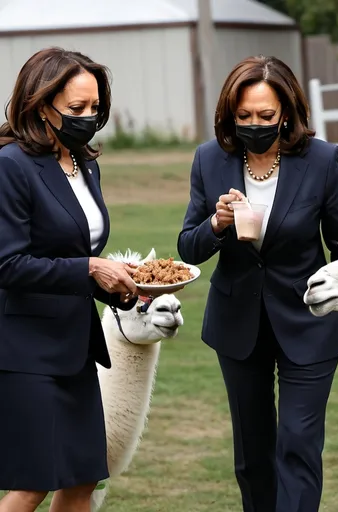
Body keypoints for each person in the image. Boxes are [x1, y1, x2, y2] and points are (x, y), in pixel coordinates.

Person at [177, 55, 338, 512]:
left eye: (266, 116)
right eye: (244, 117)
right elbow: (188, 247)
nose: (254, 125)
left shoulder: (322, 160)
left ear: (287, 113)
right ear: (230, 115)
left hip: (309, 322)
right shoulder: (208, 159)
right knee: (252, 456)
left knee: (298, 443)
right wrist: (216, 225)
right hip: (237, 323)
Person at [0, 47, 140, 512]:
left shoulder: (85, 163)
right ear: (42, 106)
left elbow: (81, 253)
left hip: (75, 348)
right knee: (32, 485)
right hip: (26, 352)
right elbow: (8, 265)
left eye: (95, 108)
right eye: (76, 108)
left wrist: (118, 280)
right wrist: (89, 269)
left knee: (82, 482)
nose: (88, 117)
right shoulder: (11, 166)